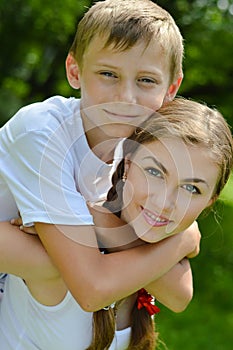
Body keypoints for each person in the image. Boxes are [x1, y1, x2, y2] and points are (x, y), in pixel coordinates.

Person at [0, 0, 191, 313]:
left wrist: (100, 237)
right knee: (57, 264)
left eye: (146, 80)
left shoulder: (145, 152)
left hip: (25, 303)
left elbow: (179, 295)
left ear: (171, 88)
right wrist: (181, 243)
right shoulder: (41, 131)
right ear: (75, 71)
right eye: (108, 74)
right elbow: (92, 289)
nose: (125, 98)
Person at [0, 97, 232, 349]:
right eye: (154, 172)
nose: (165, 202)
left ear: (210, 201)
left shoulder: (157, 265)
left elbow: (181, 295)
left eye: (191, 188)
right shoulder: (64, 255)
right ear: (127, 164)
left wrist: (99, 222)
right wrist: (185, 239)